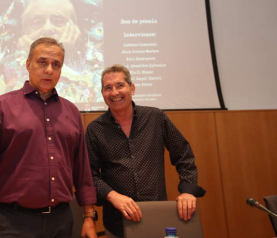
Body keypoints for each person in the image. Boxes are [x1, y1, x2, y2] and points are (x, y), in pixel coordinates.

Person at [0, 37, 98, 238]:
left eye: (56, 64)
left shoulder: (71, 111)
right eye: (42, 62)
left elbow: (82, 169)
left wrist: (89, 216)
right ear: (28, 64)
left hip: (62, 221)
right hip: (12, 222)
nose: (49, 70)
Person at [85, 64, 206, 238]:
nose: (114, 92)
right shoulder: (95, 129)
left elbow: (183, 154)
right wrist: (111, 195)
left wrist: (187, 190)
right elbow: (89, 173)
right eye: (108, 88)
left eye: (120, 85)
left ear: (131, 88)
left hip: (156, 216)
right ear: (102, 93)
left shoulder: (155, 117)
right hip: (116, 221)